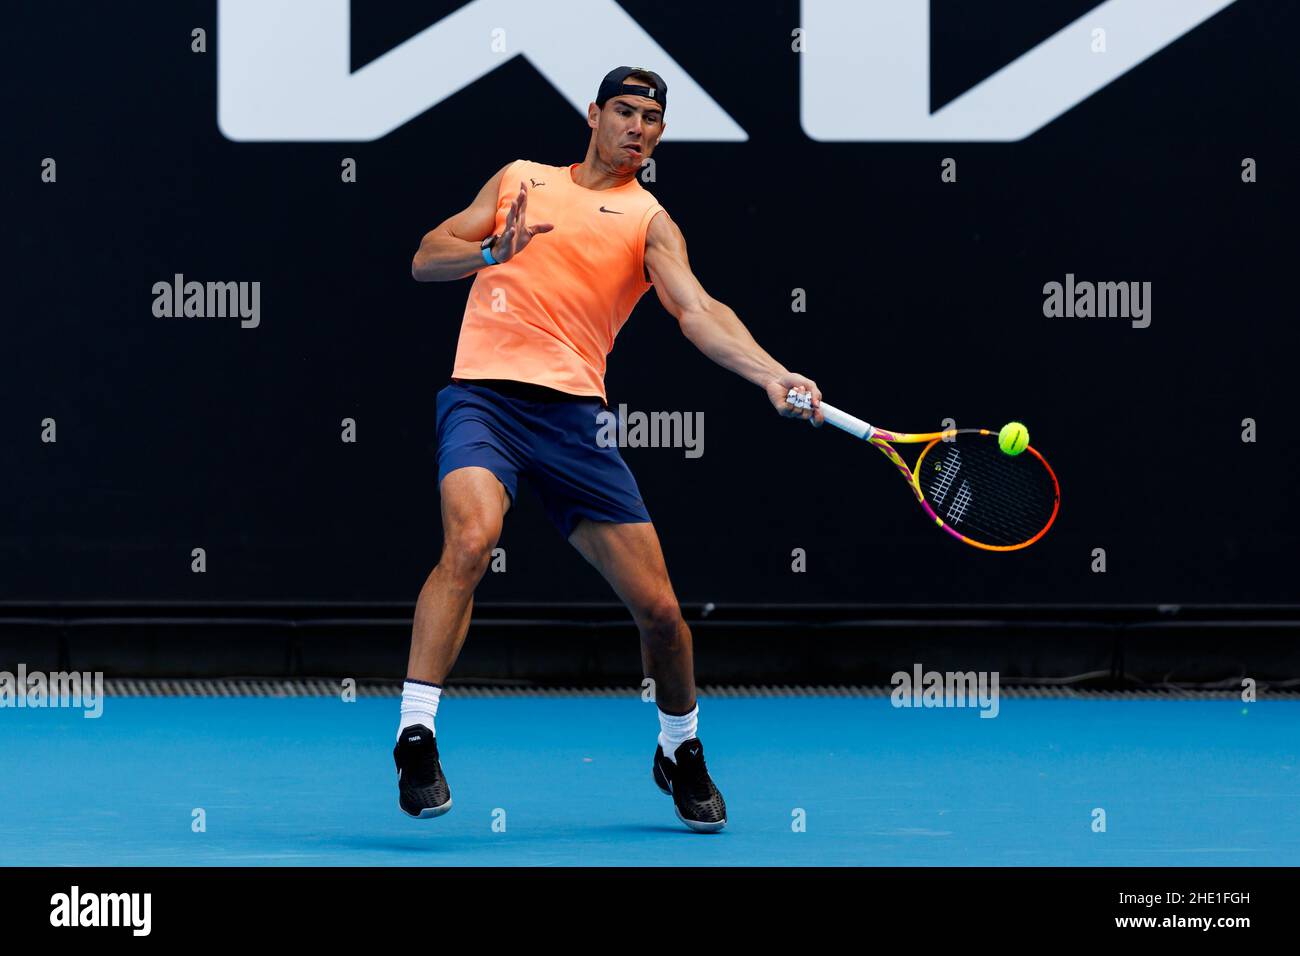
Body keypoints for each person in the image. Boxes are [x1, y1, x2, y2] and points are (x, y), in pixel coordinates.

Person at [396, 66, 823, 832]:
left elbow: (697, 310)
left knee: (661, 613)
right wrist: (490, 252)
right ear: (592, 114)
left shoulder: (649, 221)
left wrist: (769, 372)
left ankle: (679, 749)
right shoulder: (520, 180)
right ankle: (416, 735)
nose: (638, 127)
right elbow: (427, 256)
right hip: (483, 397)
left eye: (652, 119)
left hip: (574, 422)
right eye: (625, 111)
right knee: (469, 539)